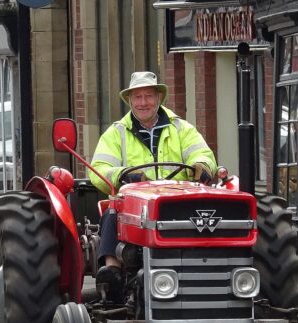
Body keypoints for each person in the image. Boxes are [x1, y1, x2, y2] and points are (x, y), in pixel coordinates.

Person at [89, 71, 217, 301]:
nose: (143, 102)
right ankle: (112, 271)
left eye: (148, 96)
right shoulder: (116, 133)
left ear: (159, 98)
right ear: (130, 101)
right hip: (133, 203)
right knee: (113, 211)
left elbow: (202, 153)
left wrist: (202, 165)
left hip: (177, 201)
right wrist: (123, 176)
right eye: (137, 97)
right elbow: (98, 169)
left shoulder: (181, 129)